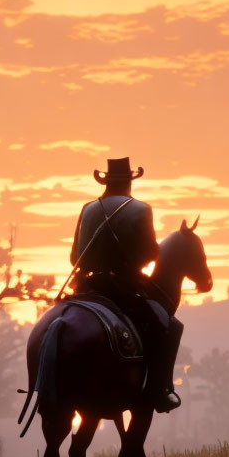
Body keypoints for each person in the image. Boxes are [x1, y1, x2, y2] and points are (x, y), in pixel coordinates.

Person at [69, 157, 181, 413]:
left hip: (87, 288)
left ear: (105, 182)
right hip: (123, 288)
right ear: (130, 182)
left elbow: (75, 257)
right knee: (168, 325)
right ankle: (160, 389)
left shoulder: (88, 208)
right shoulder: (141, 209)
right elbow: (151, 254)